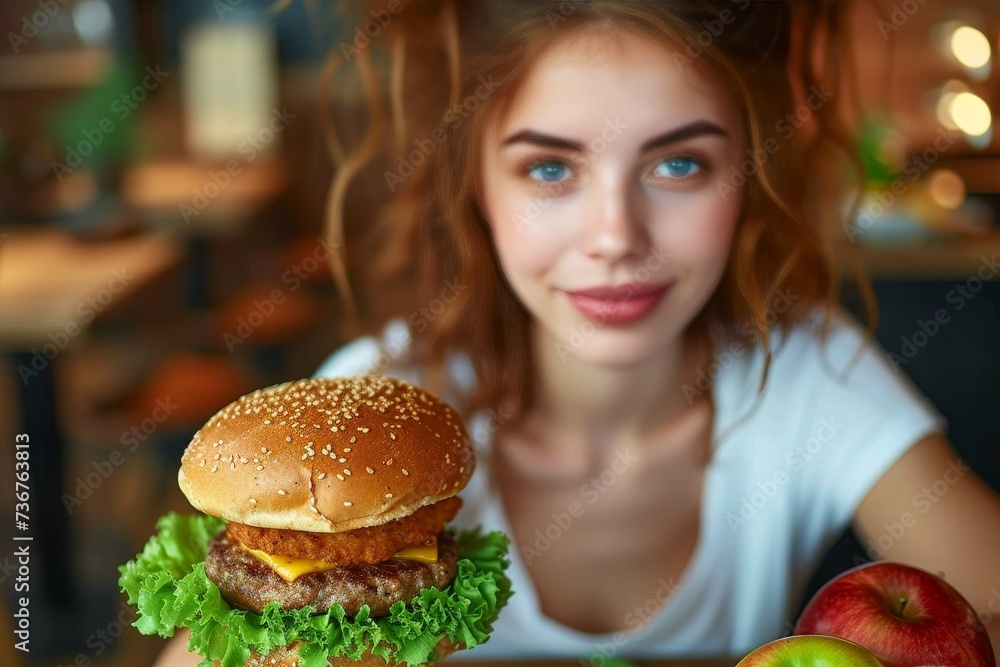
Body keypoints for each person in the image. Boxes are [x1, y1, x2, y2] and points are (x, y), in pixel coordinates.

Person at [156, 1, 1000, 664]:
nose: (615, 236)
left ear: (749, 175)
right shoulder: (371, 407)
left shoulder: (808, 370)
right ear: (475, 186)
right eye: (550, 169)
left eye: (679, 164)